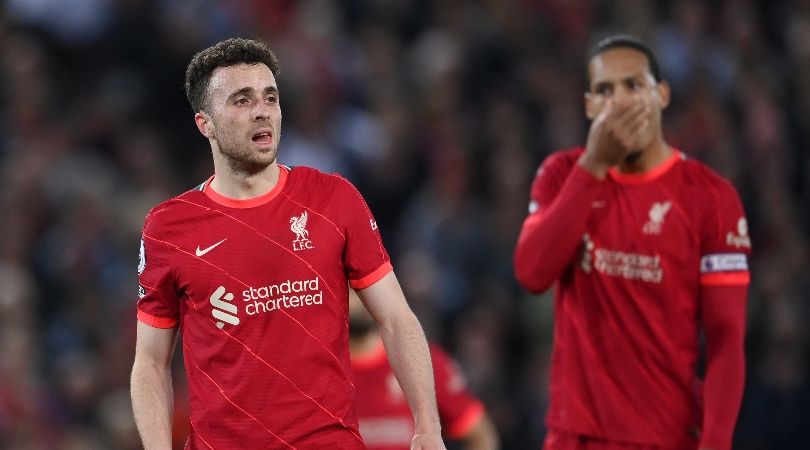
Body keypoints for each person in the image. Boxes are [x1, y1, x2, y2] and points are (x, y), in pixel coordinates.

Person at [130, 37, 445, 450]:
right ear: (204, 123)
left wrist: (428, 427)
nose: (262, 111)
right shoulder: (169, 228)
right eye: (241, 100)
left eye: (270, 97)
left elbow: (396, 319)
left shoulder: (334, 199)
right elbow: (151, 362)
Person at [514, 34, 751, 450]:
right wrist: (594, 165)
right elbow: (532, 273)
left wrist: (716, 442)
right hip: (575, 436)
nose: (619, 101)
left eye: (633, 86)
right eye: (605, 90)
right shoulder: (563, 174)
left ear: (661, 95)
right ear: (589, 106)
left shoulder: (710, 198)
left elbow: (726, 339)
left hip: (664, 436)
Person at [348, 289, 500, 450]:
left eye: (367, 287)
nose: (363, 297)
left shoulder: (422, 361)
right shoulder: (323, 367)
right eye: (351, 290)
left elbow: (481, 435)